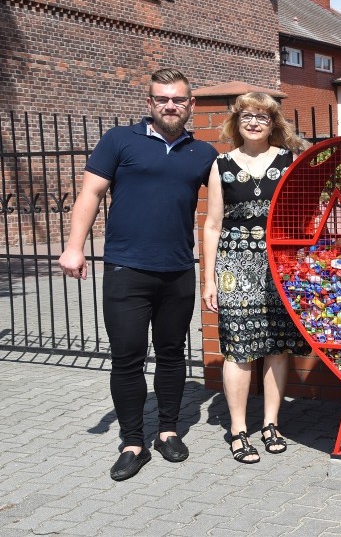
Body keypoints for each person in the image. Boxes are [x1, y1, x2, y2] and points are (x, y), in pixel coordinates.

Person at [58, 69, 218, 481]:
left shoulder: (203, 154)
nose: (170, 105)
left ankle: (167, 432)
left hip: (178, 270)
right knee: (127, 358)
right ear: (149, 103)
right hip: (126, 269)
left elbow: (220, 213)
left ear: (190, 106)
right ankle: (133, 441)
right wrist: (74, 247)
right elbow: (90, 194)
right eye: (162, 98)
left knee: (170, 355)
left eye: (178, 99)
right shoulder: (118, 140)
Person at [201, 92, 310, 463]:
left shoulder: (288, 160)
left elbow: (302, 215)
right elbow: (213, 225)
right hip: (235, 266)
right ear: (236, 121)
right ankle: (238, 430)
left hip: (279, 264)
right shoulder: (221, 165)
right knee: (239, 348)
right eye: (246, 115)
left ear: (273, 123)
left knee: (277, 346)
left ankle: (271, 424)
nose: (253, 122)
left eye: (261, 117)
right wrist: (209, 279)